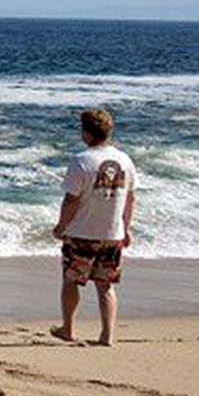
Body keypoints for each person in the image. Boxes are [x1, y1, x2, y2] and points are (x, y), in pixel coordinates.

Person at [51, 109, 137, 346]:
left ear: (87, 133)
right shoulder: (125, 160)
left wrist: (61, 226)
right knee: (105, 286)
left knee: (71, 280)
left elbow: (72, 199)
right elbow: (130, 198)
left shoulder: (81, 161)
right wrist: (126, 228)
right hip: (112, 233)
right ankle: (107, 335)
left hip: (82, 233)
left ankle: (68, 329)